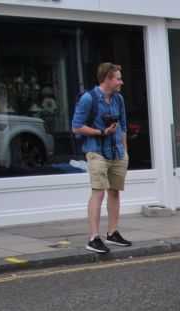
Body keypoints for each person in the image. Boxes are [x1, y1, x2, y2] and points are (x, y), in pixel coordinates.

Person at [72, 62, 130, 255]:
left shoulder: (118, 99)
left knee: (115, 192)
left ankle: (112, 233)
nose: (121, 82)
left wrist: (125, 152)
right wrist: (101, 132)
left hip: (117, 153)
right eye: (118, 78)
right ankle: (93, 238)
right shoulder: (89, 99)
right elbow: (76, 126)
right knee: (99, 192)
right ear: (107, 79)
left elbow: (123, 126)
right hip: (96, 151)